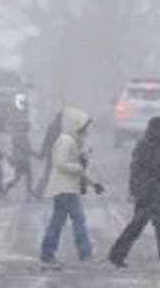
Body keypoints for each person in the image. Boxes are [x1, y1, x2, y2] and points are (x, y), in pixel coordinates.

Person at [108, 116, 160, 268]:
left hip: (151, 192)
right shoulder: (147, 146)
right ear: (159, 133)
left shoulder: (152, 145)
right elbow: (152, 170)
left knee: (150, 226)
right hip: (148, 193)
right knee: (145, 226)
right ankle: (117, 255)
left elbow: (150, 169)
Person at [40, 107, 101, 269]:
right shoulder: (66, 141)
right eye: (83, 127)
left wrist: (93, 184)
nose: (85, 131)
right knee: (78, 220)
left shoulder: (69, 140)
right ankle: (85, 253)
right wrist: (80, 167)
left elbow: (76, 168)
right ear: (74, 125)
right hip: (66, 189)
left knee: (57, 222)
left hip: (64, 189)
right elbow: (61, 164)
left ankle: (47, 253)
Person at [32, 110, 62, 199]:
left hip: (53, 153)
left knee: (48, 174)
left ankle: (39, 191)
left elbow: (46, 141)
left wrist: (43, 152)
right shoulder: (60, 128)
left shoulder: (52, 127)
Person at [5, 124, 37, 198]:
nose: (28, 129)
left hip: (19, 159)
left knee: (19, 177)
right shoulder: (22, 136)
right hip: (23, 159)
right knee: (26, 176)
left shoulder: (16, 135)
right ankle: (29, 191)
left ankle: (8, 188)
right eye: (28, 128)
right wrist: (36, 154)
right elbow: (25, 148)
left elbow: (19, 147)